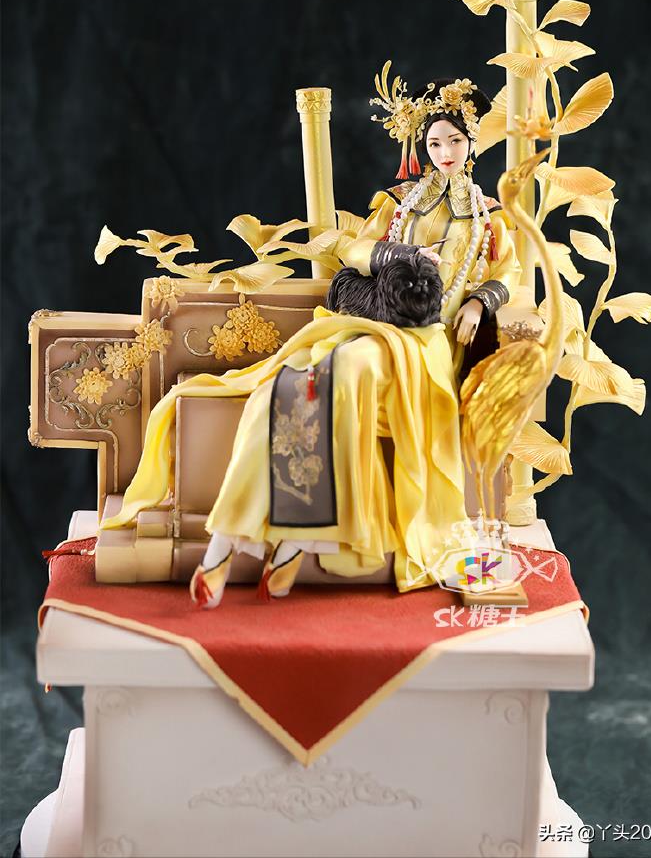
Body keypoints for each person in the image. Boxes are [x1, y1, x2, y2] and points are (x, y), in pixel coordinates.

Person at [100, 68, 521, 606]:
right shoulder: (400, 204)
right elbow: (353, 250)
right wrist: (398, 253)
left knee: (346, 373)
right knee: (285, 386)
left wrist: (482, 302)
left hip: (430, 340)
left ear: (471, 143)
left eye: (454, 141)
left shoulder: (488, 217)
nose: (443, 152)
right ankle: (238, 539)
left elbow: (507, 272)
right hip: (374, 322)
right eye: (434, 143)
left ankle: (287, 541)